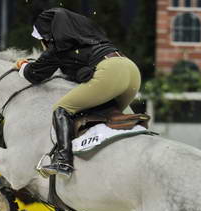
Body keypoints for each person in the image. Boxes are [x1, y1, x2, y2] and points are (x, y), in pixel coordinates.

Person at [16, 7, 141, 178]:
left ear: (48, 35)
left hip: (111, 73)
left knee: (62, 108)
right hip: (132, 72)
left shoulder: (58, 47)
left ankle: (64, 161)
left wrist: (22, 65)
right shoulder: (90, 38)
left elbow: (34, 74)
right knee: (105, 111)